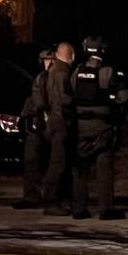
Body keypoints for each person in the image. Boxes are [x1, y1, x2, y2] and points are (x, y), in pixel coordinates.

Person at [70, 35, 128, 220]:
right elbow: (123, 96)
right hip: (101, 125)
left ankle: (79, 208)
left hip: (81, 125)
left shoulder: (77, 72)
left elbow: (71, 93)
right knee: (104, 166)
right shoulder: (108, 72)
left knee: (80, 167)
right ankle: (106, 209)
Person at [11, 49, 55, 209]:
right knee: (31, 160)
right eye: (46, 60)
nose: (49, 63)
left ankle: (52, 197)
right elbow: (33, 100)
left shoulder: (58, 77)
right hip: (37, 124)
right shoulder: (40, 78)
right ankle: (31, 195)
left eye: (51, 60)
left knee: (54, 162)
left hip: (52, 124)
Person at [39, 43, 78, 215]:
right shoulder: (63, 72)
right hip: (61, 120)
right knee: (58, 163)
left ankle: (55, 199)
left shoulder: (52, 72)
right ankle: (51, 201)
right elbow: (64, 99)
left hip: (53, 119)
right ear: (72, 55)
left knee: (57, 161)